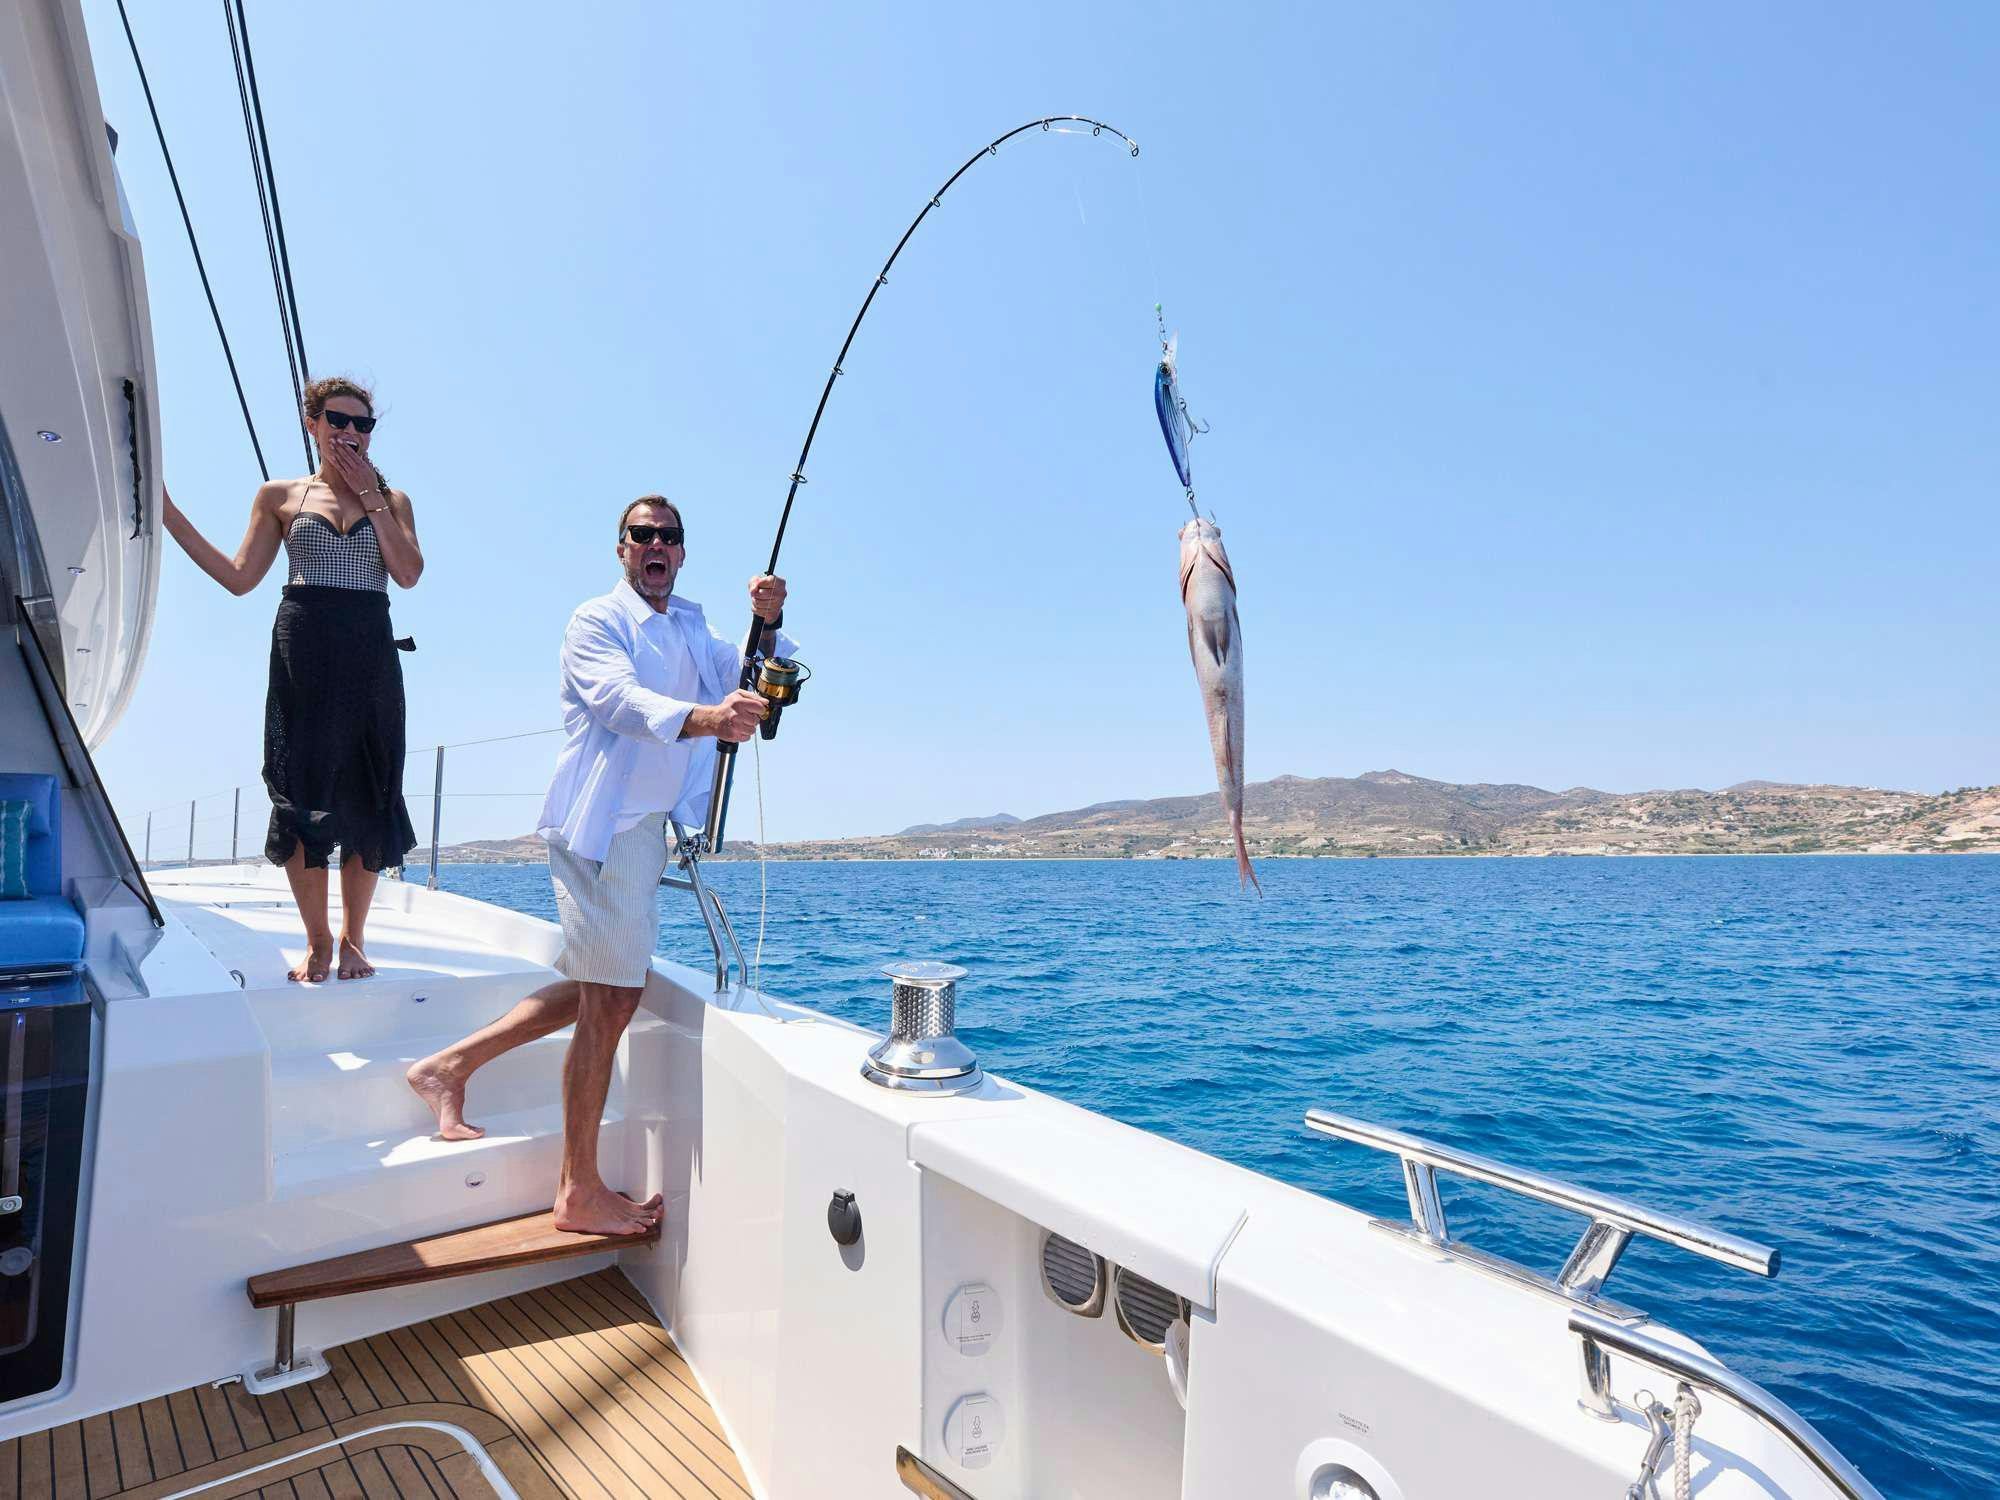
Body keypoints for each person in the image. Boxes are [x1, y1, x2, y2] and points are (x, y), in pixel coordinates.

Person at [407, 495, 792, 1236]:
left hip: (644, 830)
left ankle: (450, 1067)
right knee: (613, 997)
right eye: (642, 535)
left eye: (669, 537)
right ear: (621, 549)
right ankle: (576, 1190)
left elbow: (746, 674)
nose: (656, 545)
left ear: (681, 552)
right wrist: (707, 718)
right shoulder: (596, 621)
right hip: (598, 828)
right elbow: (618, 701)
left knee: (608, 985)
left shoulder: (693, 624)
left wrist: (767, 624)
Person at [162, 375, 421, 983]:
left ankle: (356, 939)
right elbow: (237, 576)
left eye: (363, 424)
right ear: (312, 423)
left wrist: (372, 498)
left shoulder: (394, 499)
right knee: (303, 789)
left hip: (369, 651)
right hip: (303, 647)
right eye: (338, 420)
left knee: (369, 788)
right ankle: (318, 940)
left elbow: (408, 574)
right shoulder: (279, 496)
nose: (351, 433)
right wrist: (170, 514)